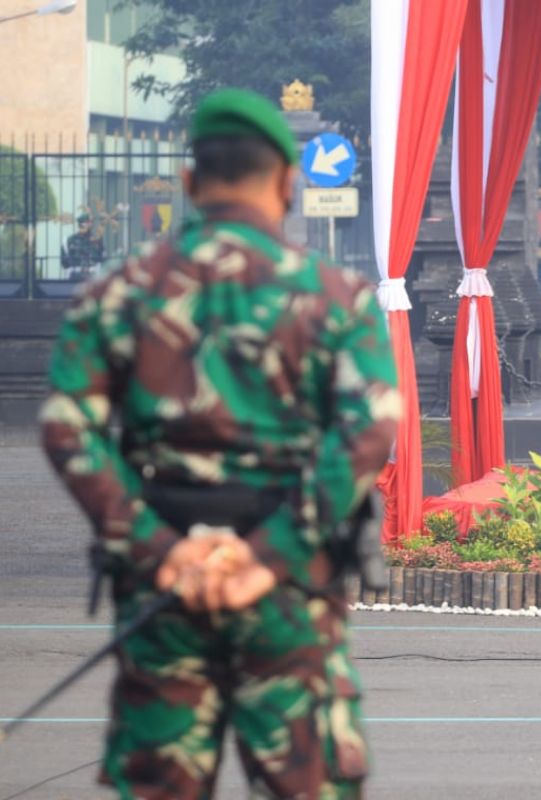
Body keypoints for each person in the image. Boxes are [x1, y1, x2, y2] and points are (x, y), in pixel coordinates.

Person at [39, 88, 401, 799]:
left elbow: (66, 426)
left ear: (188, 182)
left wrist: (159, 548)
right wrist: (271, 555)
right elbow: (369, 432)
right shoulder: (337, 297)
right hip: (289, 592)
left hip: (166, 587)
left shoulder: (121, 292)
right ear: (289, 183)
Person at [61, 212, 106, 280]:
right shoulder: (69, 240)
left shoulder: (97, 240)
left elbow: (102, 258)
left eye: (91, 223)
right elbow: (64, 262)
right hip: (75, 275)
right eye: (88, 223)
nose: (91, 225)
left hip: (92, 276)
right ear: (82, 224)